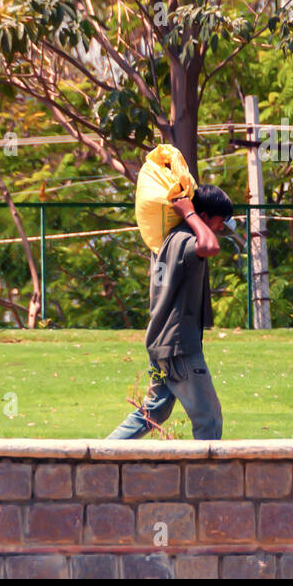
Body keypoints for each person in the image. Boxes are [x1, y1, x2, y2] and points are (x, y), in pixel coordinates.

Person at [107, 184, 236, 440]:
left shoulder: (166, 240)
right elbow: (210, 246)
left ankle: (98, 457)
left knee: (153, 412)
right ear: (205, 216)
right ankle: (206, 480)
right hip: (179, 349)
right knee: (208, 418)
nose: (221, 228)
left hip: (160, 346)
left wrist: (193, 217)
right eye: (220, 221)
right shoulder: (183, 241)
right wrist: (190, 214)